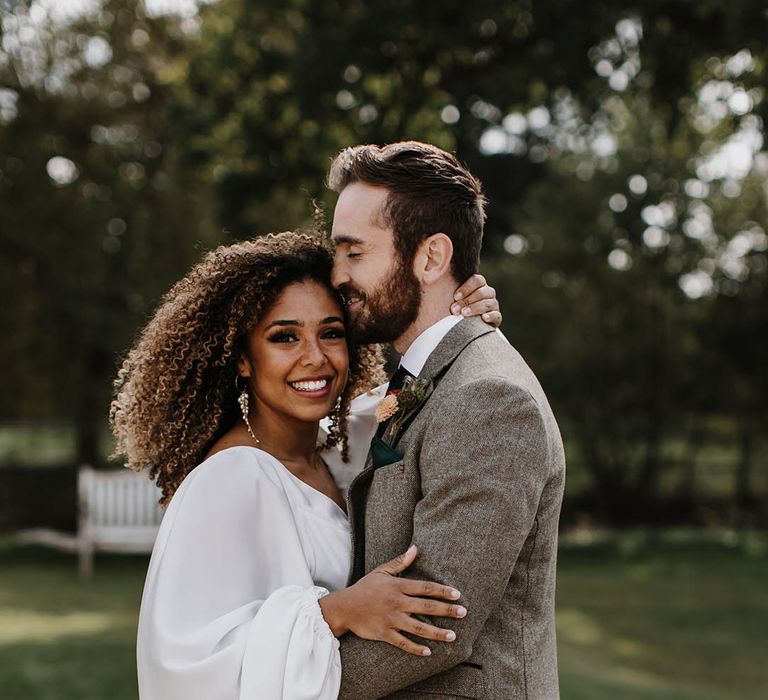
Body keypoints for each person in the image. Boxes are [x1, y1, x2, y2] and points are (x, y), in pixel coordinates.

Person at [109, 232, 502, 699]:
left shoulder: (339, 444)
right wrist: (336, 611)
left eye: (331, 333)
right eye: (284, 337)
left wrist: (460, 326)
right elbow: (187, 664)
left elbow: (407, 401)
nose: (314, 357)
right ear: (243, 359)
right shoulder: (230, 478)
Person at [321, 141, 566, 699]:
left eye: (354, 254)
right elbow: (369, 422)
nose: (335, 276)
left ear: (431, 258)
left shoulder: (489, 398)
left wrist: (289, 680)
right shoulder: (422, 381)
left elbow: (438, 623)